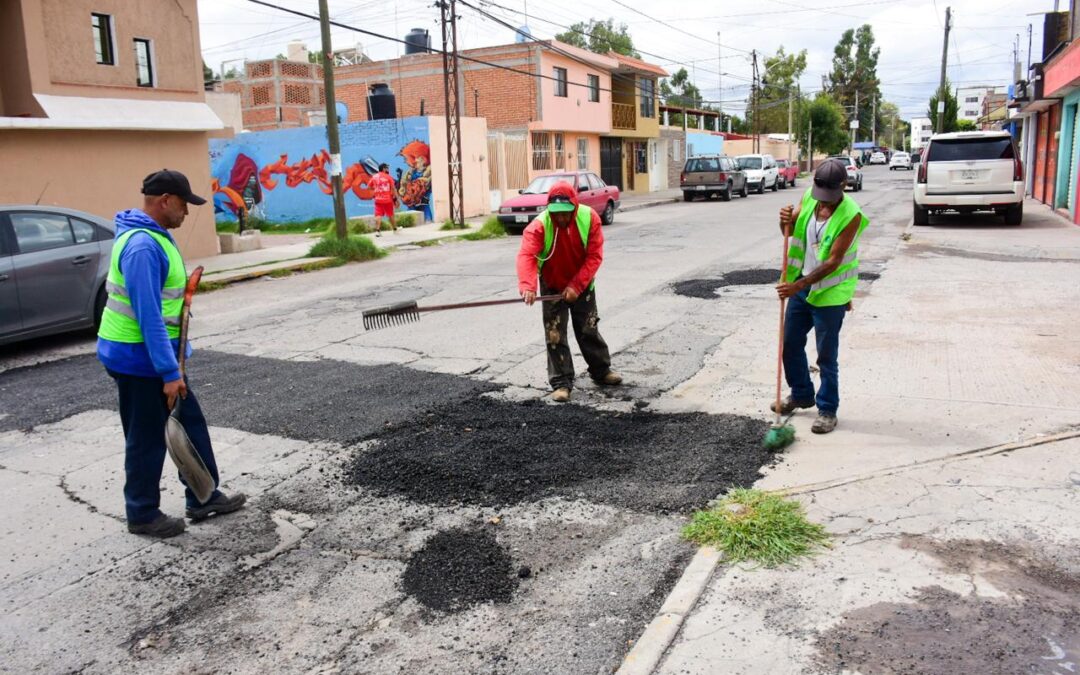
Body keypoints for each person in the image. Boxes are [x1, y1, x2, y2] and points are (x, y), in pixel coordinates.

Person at [97, 170, 246, 538]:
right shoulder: (143, 247)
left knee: (189, 424)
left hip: (155, 357)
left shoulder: (153, 238)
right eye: (183, 204)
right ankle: (143, 513)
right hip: (140, 360)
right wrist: (168, 373)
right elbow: (149, 317)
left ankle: (203, 496)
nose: (186, 212)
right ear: (165, 201)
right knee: (147, 436)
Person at [774, 159, 869, 434]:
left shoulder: (852, 214)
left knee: (826, 356)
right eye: (820, 195)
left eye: (829, 196)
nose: (824, 202)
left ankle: (827, 409)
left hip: (830, 292)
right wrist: (783, 222)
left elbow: (833, 262)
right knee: (790, 344)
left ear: (843, 186)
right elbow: (790, 232)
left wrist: (798, 285)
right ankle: (802, 393)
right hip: (802, 288)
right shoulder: (809, 197)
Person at [516, 181, 622, 402]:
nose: (561, 218)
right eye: (556, 214)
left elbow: (594, 256)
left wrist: (576, 286)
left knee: (588, 329)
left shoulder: (589, 218)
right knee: (555, 334)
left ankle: (601, 371)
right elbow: (527, 256)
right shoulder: (539, 226)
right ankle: (562, 383)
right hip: (552, 285)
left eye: (565, 213)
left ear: (574, 207)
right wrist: (528, 286)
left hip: (582, 284)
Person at [369, 163, 399, 236]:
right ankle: (395, 229)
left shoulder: (374, 177)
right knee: (390, 215)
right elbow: (393, 188)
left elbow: (369, 186)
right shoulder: (388, 177)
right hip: (387, 199)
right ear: (384, 169)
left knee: (378, 215)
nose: (388, 169)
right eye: (387, 168)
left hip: (378, 199)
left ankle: (377, 231)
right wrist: (397, 199)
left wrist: (376, 191)